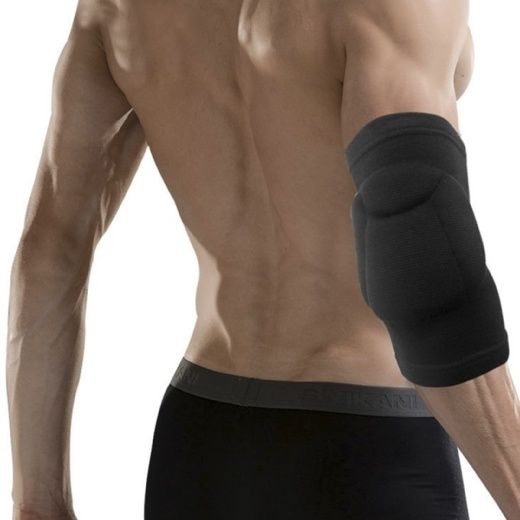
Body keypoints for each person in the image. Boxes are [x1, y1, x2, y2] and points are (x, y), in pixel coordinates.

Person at [6, 0, 520, 518]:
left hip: (201, 445)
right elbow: (419, 255)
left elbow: (52, 249)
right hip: (366, 452)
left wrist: (38, 502)